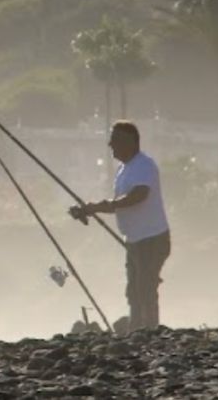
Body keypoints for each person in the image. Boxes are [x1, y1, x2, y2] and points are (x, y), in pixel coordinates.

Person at [68, 120, 170, 332]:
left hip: (151, 238)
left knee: (145, 287)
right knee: (134, 289)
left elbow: (139, 195)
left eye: (114, 140)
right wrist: (90, 209)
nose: (110, 145)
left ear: (130, 141)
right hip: (134, 240)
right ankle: (137, 330)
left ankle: (149, 332)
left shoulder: (144, 165)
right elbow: (120, 204)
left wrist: (104, 206)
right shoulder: (124, 169)